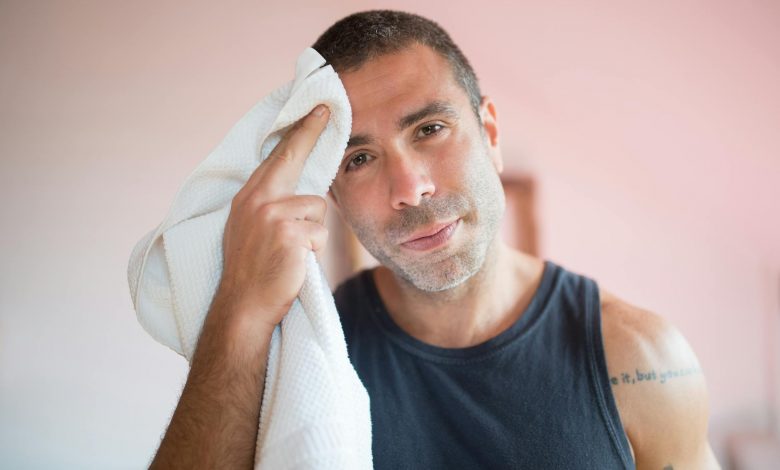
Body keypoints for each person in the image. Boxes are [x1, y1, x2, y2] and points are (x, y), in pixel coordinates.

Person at [150, 10, 720, 470]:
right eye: (360, 158)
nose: (409, 189)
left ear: (489, 133)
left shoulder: (641, 359)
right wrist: (239, 310)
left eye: (429, 129)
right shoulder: (296, 363)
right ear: (332, 194)